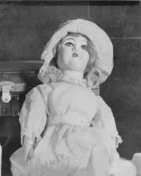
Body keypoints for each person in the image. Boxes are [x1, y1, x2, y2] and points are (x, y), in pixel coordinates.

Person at [9, 19, 129, 176]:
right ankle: (88, 169)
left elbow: (105, 120)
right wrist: (29, 141)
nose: (75, 49)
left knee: (99, 157)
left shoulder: (93, 97)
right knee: (62, 164)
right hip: (55, 141)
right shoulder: (45, 90)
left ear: (90, 59)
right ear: (55, 55)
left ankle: (95, 166)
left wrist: (111, 145)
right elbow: (34, 115)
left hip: (87, 139)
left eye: (83, 47)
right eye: (69, 44)